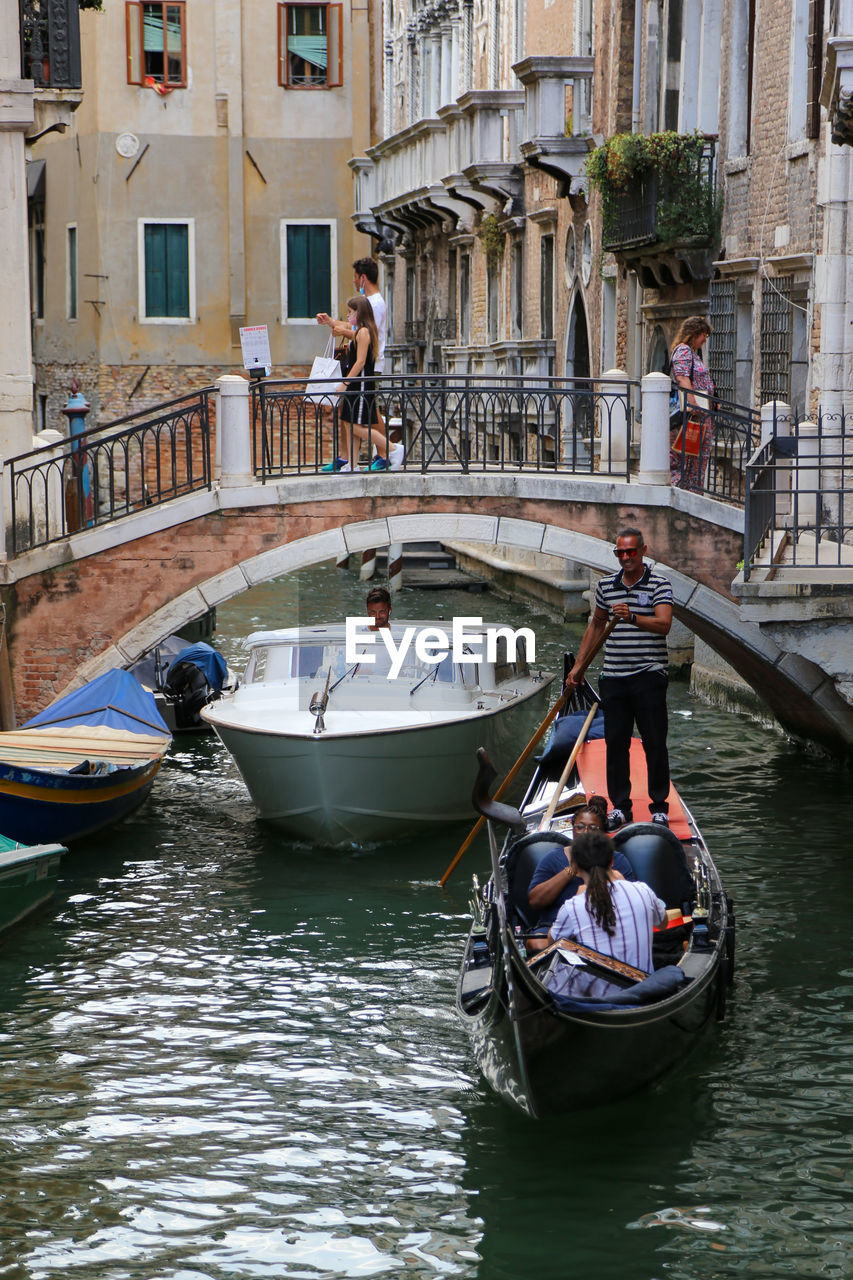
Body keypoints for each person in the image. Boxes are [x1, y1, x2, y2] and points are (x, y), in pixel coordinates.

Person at [565, 528, 673, 830]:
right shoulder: (606, 586)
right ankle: (621, 808)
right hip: (614, 677)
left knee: (655, 743)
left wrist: (633, 617)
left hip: (649, 675)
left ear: (643, 551)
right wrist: (579, 667)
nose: (626, 557)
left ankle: (659, 807)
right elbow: (596, 626)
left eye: (631, 552)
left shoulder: (659, 584)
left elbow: (664, 624)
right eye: (620, 553)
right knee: (615, 744)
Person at [317, 259, 403, 471]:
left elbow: (361, 334)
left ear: (362, 278)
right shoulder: (366, 303)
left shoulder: (375, 304)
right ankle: (349, 461)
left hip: (367, 371)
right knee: (351, 417)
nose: (354, 281)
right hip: (358, 373)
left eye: (355, 277)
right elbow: (352, 325)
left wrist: (341, 330)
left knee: (367, 416)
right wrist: (331, 323)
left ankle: (387, 452)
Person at [524, 797, 637, 952]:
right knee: (536, 944)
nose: (585, 833)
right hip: (555, 929)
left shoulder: (617, 860)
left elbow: (630, 902)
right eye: (580, 827)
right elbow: (535, 901)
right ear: (573, 830)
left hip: (602, 928)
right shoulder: (552, 859)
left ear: (603, 833)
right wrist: (571, 870)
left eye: (592, 828)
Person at [546, 831, 667, 974]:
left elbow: (552, 943)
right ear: (612, 861)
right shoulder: (643, 890)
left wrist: (577, 898)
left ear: (576, 868)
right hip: (644, 988)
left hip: (597, 995)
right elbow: (662, 923)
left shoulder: (572, 907)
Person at [320, 296, 387, 472]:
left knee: (355, 426)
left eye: (350, 312)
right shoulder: (361, 331)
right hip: (357, 386)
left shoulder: (364, 332)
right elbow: (350, 330)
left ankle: (392, 449)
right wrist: (332, 324)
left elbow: (360, 362)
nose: (348, 316)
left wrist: (344, 383)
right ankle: (353, 465)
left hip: (361, 386)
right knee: (350, 423)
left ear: (360, 313)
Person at [669, 316, 715, 493]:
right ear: (694, 333)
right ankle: (685, 492)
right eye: (704, 335)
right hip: (691, 415)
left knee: (696, 456)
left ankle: (693, 492)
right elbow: (682, 377)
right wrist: (694, 404)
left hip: (700, 415)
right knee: (688, 455)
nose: (705, 340)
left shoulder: (693, 354)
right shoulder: (683, 351)